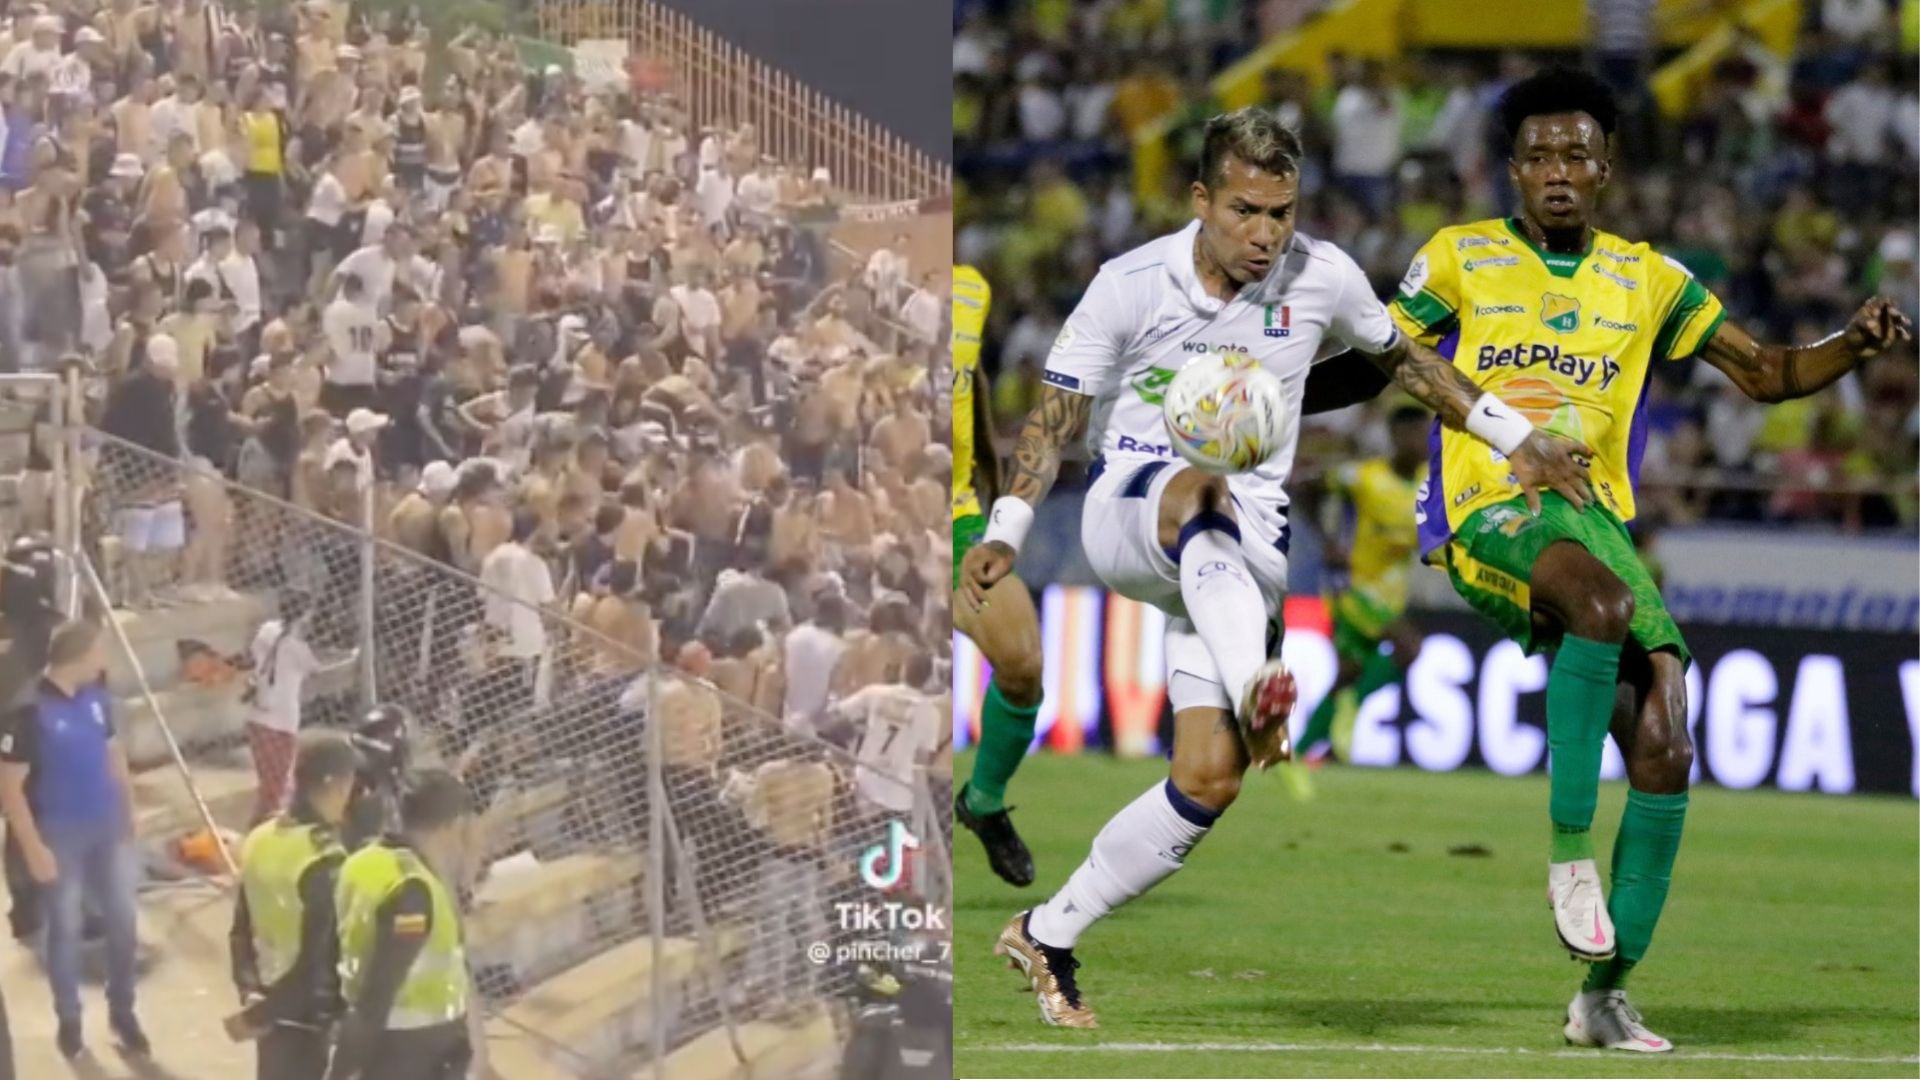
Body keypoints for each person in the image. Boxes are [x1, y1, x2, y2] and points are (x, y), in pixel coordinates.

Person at [965, 107, 1593, 1028]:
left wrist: (1515, 438)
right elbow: (1054, 421)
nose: (1265, 235)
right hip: (1137, 507)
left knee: (1209, 780)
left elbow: (1406, 364)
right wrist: (1008, 530)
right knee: (1201, 490)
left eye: (1282, 213)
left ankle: (1048, 932)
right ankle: (1262, 677)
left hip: (1246, 549)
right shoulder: (1128, 284)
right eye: (1246, 211)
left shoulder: (1324, 274)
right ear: (1201, 200)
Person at [1379, 68, 1910, 1051]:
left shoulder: (1649, 278)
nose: (1558, 172)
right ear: (1512, 168)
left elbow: (1765, 373)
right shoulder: (1459, 257)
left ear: (1607, 167)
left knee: (1668, 743)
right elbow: (1387, 353)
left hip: (1596, 526)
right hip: (1490, 508)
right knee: (1604, 609)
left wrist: (1851, 343)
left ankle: (1603, 995)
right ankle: (1568, 854)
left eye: (1577, 154)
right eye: (1539, 156)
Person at [0, 618, 149, 1059]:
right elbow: (9, 787)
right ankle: (70, 1019)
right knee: (64, 929)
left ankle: (123, 1012)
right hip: (60, 834)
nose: (104, 659)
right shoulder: (28, 711)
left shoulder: (95, 696)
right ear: (80, 656)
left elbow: (113, 753)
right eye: (99, 651)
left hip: (105, 827)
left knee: (123, 922)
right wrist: (33, 847)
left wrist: (128, 808)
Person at [947, 264, 1043, 887]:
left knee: (1022, 661)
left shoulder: (969, 288)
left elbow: (971, 380)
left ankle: (982, 801)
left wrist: (988, 481)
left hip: (956, 520)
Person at [1291, 404, 1430, 766]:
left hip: (1391, 591)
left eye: (1427, 434)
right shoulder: (1362, 477)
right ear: (1396, 438)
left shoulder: (1432, 483)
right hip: (1350, 584)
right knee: (1408, 646)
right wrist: (1326, 541)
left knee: (1349, 672)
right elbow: (1303, 488)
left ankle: (1299, 755)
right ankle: (1353, 705)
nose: (1422, 442)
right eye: (1415, 434)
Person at [226, 730, 360, 1079]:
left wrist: (250, 994)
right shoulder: (324, 860)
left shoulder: (259, 836)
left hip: (267, 1002)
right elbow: (317, 962)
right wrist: (260, 1014)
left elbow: (240, 929)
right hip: (306, 1016)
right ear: (339, 787)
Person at [327, 767, 475, 1080]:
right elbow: (377, 996)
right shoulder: (413, 891)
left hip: (388, 1046)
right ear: (453, 825)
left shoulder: (361, 862)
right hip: (409, 1054)